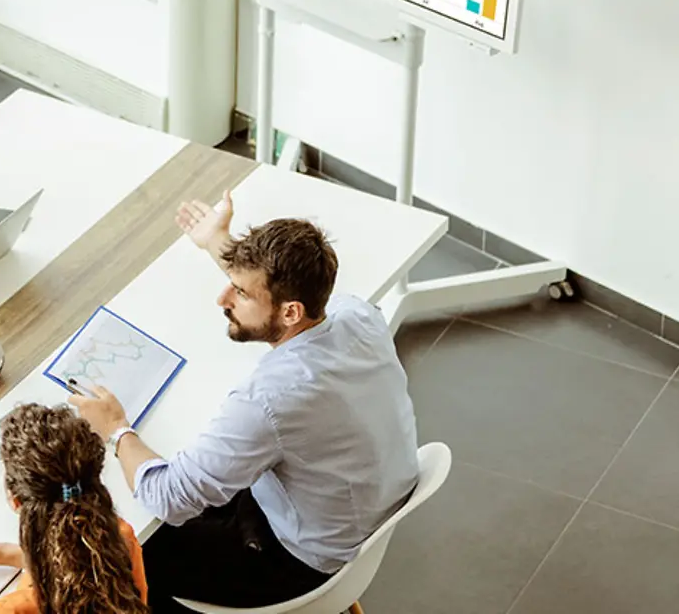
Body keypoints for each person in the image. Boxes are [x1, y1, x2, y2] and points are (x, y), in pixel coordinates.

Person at [69, 191, 419, 613]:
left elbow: (167, 497)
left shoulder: (268, 401)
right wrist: (218, 242)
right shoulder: (357, 316)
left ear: (291, 312)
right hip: (349, 515)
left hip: (293, 560)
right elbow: (280, 300)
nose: (222, 300)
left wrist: (116, 428)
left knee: (118, 552)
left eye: (239, 292)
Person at [0, 403, 149, 614]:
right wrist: (1, 553)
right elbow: (74, 563)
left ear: (15, 500)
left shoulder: (18, 608)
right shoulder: (120, 538)